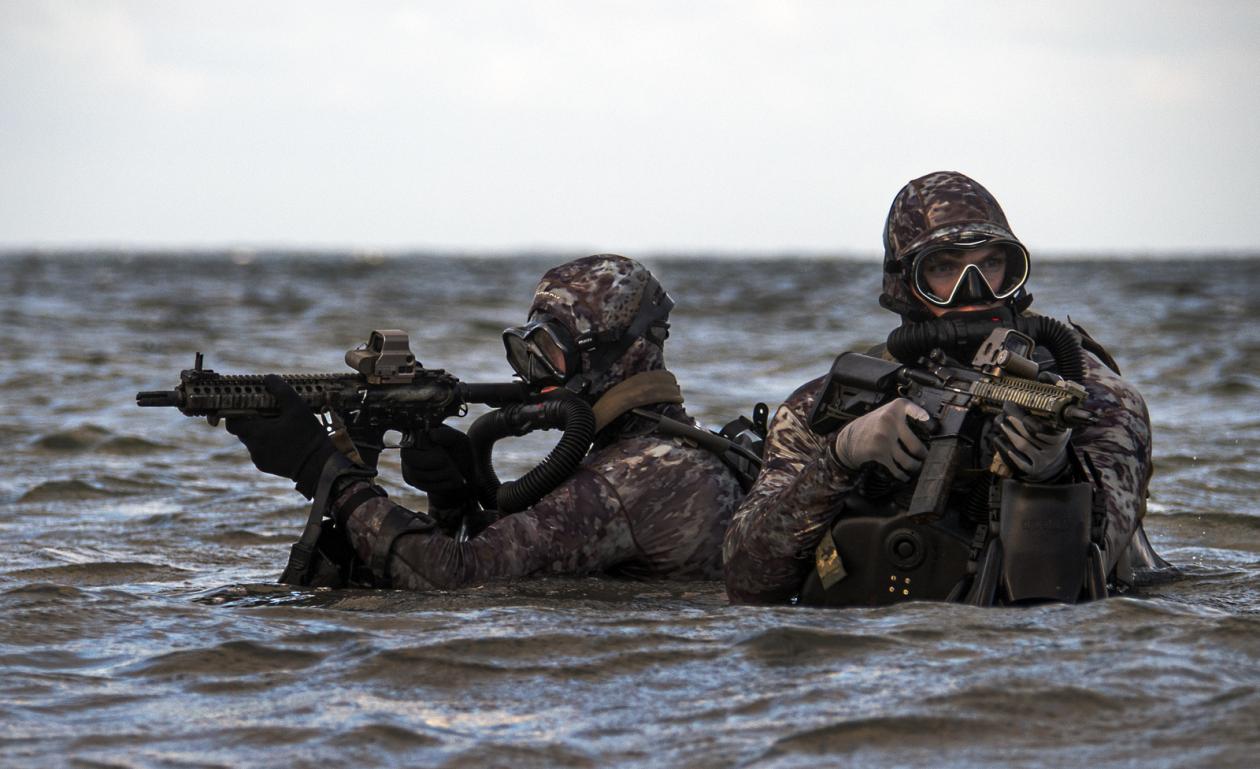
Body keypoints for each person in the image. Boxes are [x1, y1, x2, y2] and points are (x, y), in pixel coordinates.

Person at [723, 171, 1162, 606]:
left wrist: (1055, 477)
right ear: (904, 282)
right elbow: (748, 581)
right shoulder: (826, 402)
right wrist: (839, 457)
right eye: (943, 267)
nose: (974, 289)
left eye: (991, 264)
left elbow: (1093, 581)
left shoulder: (1099, 399)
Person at [227, 254, 744, 590]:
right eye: (527, 350)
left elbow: (454, 581)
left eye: (551, 351)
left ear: (615, 356)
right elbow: (527, 561)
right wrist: (457, 502)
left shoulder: (629, 479)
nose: (538, 374)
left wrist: (322, 470)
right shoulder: (660, 458)